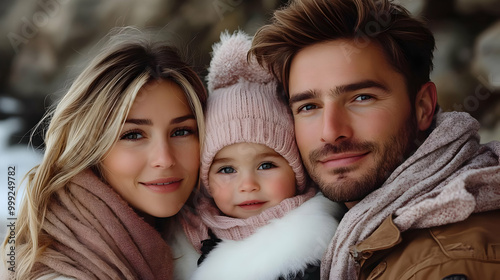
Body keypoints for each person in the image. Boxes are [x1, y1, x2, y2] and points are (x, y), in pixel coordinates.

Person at [249, 0, 500, 279]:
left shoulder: (440, 266)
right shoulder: (347, 233)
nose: (330, 132)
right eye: (308, 106)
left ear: (423, 108)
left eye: (361, 98)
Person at [1, 27, 207, 280]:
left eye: (181, 132)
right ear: (90, 147)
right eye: (132, 135)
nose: (164, 159)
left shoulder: (205, 239)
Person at [176, 31, 344, 280]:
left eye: (266, 165)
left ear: (296, 169)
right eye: (227, 170)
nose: (248, 185)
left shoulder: (308, 255)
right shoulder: (189, 237)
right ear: (206, 181)